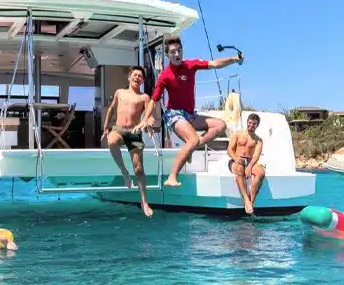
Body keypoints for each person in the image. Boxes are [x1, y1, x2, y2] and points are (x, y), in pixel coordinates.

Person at [142, 35, 242, 187]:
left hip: (190, 114)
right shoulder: (165, 75)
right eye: (173, 52)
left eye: (179, 51)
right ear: (168, 55)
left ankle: (190, 149)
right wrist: (146, 118)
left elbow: (215, 64)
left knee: (220, 126)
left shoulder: (191, 65)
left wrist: (234, 58)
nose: (177, 54)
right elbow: (154, 100)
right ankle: (172, 176)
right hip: (174, 114)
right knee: (193, 139)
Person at [101, 65, 155, 217]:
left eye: (140, 76)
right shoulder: (120, 92)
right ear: (129, 77)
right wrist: (106, 127)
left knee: (139, 169)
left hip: (134, 133)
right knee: (111, 142)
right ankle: (124, 171)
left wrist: (149, 124)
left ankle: (144, 202)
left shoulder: (144, 97)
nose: (138, 77)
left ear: (143, 80)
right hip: (118, 129)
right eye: (135, 75)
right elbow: (111, 109)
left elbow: (150, 116)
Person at [227, 113, 265, 214]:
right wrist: (235, 158)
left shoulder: (258, 140)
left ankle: (250, 202)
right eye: (250, 123)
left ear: (257, 125)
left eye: (254, 124)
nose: (251, 125)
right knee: (239, 170)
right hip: (236, 160)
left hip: (249, 161)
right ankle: (245, 199)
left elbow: (256, 156)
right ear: (247, 122)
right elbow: (229, 150)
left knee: (261, 172)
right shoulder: (237, 134)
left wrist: (250, 166)